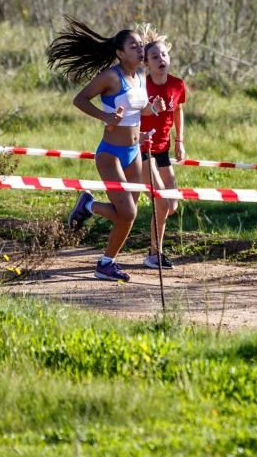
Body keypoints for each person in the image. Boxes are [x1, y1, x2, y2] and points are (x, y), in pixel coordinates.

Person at [47, 17, 166, 282]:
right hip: (110, 154)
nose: (139, 50)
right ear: (120, 53)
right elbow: (79, 99)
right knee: (129, 212)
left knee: (126, 217)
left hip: (134, 151)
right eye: (133, 46)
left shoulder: (140, 76)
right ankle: (89, 209)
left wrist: (150, 109)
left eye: (140, 45)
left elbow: (136, 109)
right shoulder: (111, 77)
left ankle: (105, 259)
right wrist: (105, 117)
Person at [139, 31, 188, 270]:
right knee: (161, 203)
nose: (161, 59)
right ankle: (153, 253)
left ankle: (88, 205)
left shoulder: (177, 85)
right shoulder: (140, 85)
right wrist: (148, 109)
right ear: (146, 63)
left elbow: (178, 110)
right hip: (140, 149)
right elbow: (128, 113)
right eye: (155, 56)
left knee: (173, 204)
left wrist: (180, 140)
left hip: (162, 151)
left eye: (164, 54)